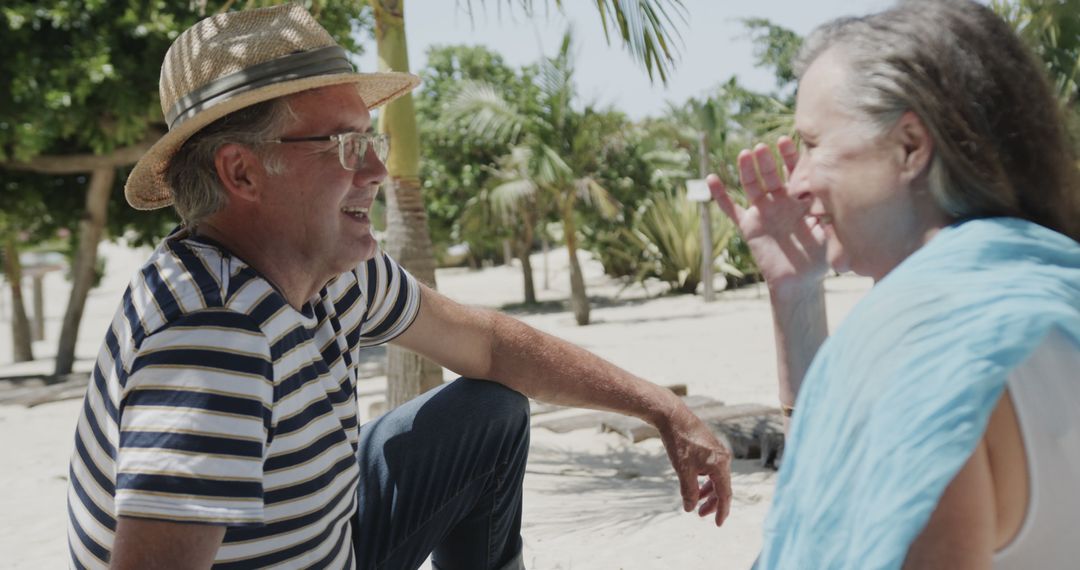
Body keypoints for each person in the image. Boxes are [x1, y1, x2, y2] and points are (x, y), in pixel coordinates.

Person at [64, 5, 732, 569]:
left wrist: (660, 408)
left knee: (489, 413)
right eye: (345, 145)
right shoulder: (211, 335)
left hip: (335, 541)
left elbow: (491, 347)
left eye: (371, 140)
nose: (379, 168)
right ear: (242, 173)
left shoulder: (329, 270)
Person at [707, 0, 1080, 567]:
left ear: (910, 145)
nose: (798, 183)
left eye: (811, 144)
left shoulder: (920, 339)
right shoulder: (1050, 289)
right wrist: (797, 295)